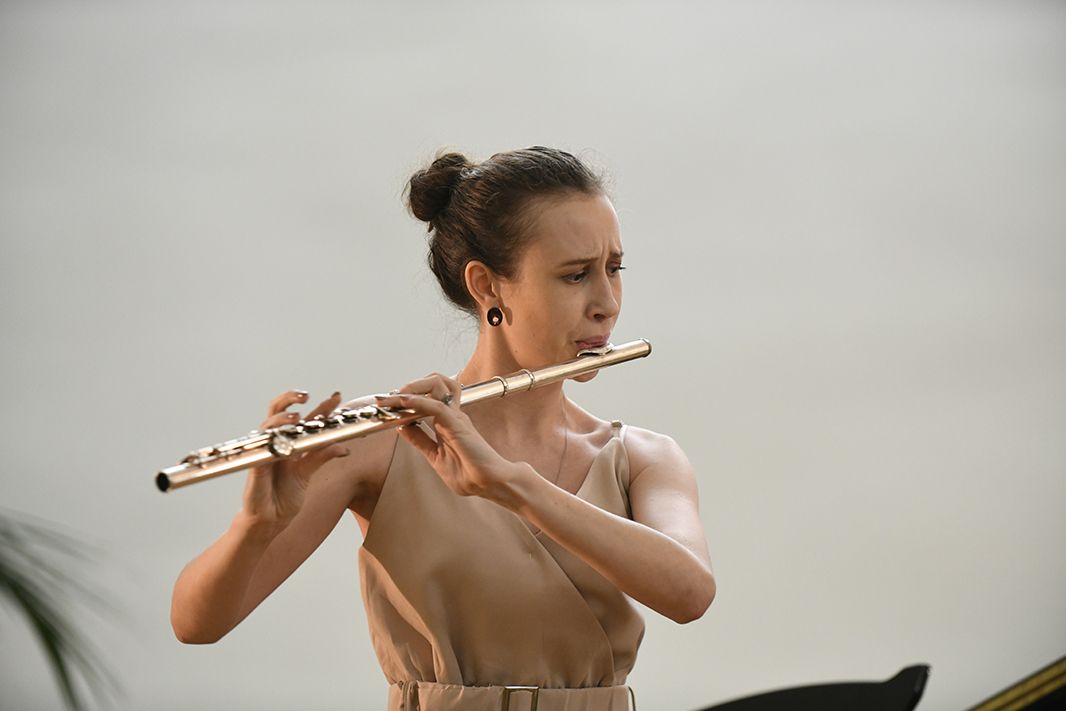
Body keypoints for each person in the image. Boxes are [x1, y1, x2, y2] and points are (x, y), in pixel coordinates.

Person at [170, 146, 716, 710]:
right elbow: (195, 625)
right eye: (575, 275)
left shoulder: (643, 456)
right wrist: (254, 528)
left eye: (614, 269)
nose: (606, 303)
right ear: (487, 286)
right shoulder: (386, 440)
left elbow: (691, 593)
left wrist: (512, 485)